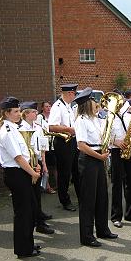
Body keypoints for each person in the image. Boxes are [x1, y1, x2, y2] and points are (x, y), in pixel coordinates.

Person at [0, 96, 41, 258]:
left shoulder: (14, 127)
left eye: (19, 111)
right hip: (17, 174)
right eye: (15, 111)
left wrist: (35, 164)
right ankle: (23, 249)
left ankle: (28, 243)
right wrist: (33, 173)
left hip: (22, 171)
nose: (19, 114)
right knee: (23, 212)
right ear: (6, 113)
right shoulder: (7, 131)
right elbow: (18, 158)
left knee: (30, 209)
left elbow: (25, 153)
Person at [74, 88, 118, 247]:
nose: (97, 103)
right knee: (88, 198)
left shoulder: (96, 119)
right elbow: (81, 145)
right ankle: (86, 236)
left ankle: (102, 229)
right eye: (94, 100)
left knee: (102, 195)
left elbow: (106, 137)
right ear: (87, 103)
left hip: (100, 156)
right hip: (89, 159)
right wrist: (99, 156)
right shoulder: (81, 120)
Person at [19, 102, 54, 235]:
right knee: (30, 195)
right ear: (26, 114)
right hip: (27, 163)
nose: (36, 113)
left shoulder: (38, 127)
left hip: (37, 161)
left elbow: (42, 148)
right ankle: (35, 220)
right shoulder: (20, 128)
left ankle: (39, 221)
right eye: (33, 111)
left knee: (37, 194)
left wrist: (44, 164)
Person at [110, 99, 131, 228]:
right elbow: (103, 135)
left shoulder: (130, 116)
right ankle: (116, 216)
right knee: (117, 184)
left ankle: (130, 213)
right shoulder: (109, 116)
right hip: (116, 150)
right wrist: (116, 141)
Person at [48, 83, 78, 211]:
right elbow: (52, 126)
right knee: (64, 173)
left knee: (76, 170)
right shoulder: (57, 106)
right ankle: (65, 200)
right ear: (70, 93)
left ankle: (80, 196)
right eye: (74, 93)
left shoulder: (68, 106)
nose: (75, 96)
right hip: (63, 142)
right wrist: (69, 129)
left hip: (72, 141)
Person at [36, 101, 57, 193]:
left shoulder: (53, 116)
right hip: (45, 144)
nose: (49, 108)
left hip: (53, 144)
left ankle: (58, 185)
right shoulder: (40, 117)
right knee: (46, 166)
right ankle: (47, 187)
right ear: (42, 108)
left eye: (50, 106)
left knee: (56, 165)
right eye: (46, 106)